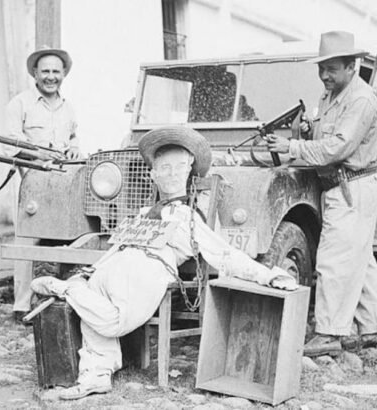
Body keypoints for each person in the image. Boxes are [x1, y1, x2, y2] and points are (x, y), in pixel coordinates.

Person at [30, 126, 297, 400]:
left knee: (113, 322)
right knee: (91, 300)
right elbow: (116, 247)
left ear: (189, 171)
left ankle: (64, 289)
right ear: (152, 174)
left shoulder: (188, 217)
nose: (171, 174)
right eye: (164, 169)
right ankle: (96, 374)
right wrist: (90, 272)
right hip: (116, 264)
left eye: (179, 167)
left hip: (148, 270)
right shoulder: (142, 214)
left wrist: (268, 276)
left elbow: (225, 254)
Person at [267, 31, 377, 356]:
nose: (324, 75)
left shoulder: (361, 100)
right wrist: (309, 131)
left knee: (334, 261)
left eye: (332, 69)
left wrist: (293, 146)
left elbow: (338, 147)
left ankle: (329, 334)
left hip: (352, 185)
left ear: (352, 66)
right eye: (321, 68)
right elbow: (327, 136)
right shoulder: (332, 95)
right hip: (341, 186)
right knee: (358, 259)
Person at [5, 46, 80, 323]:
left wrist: (73, 149)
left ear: (64, 74)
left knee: (67, 241)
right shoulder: (20, 104)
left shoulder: (68, 107)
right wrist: (39, 154)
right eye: (45, 71)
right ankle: (22, 305)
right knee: (27, 243)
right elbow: (10, 145)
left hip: (64, 185)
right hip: (34, 183)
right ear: (35, 73)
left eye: (56, 72)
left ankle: (60, 300)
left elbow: (73, 138)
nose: (51, 77)